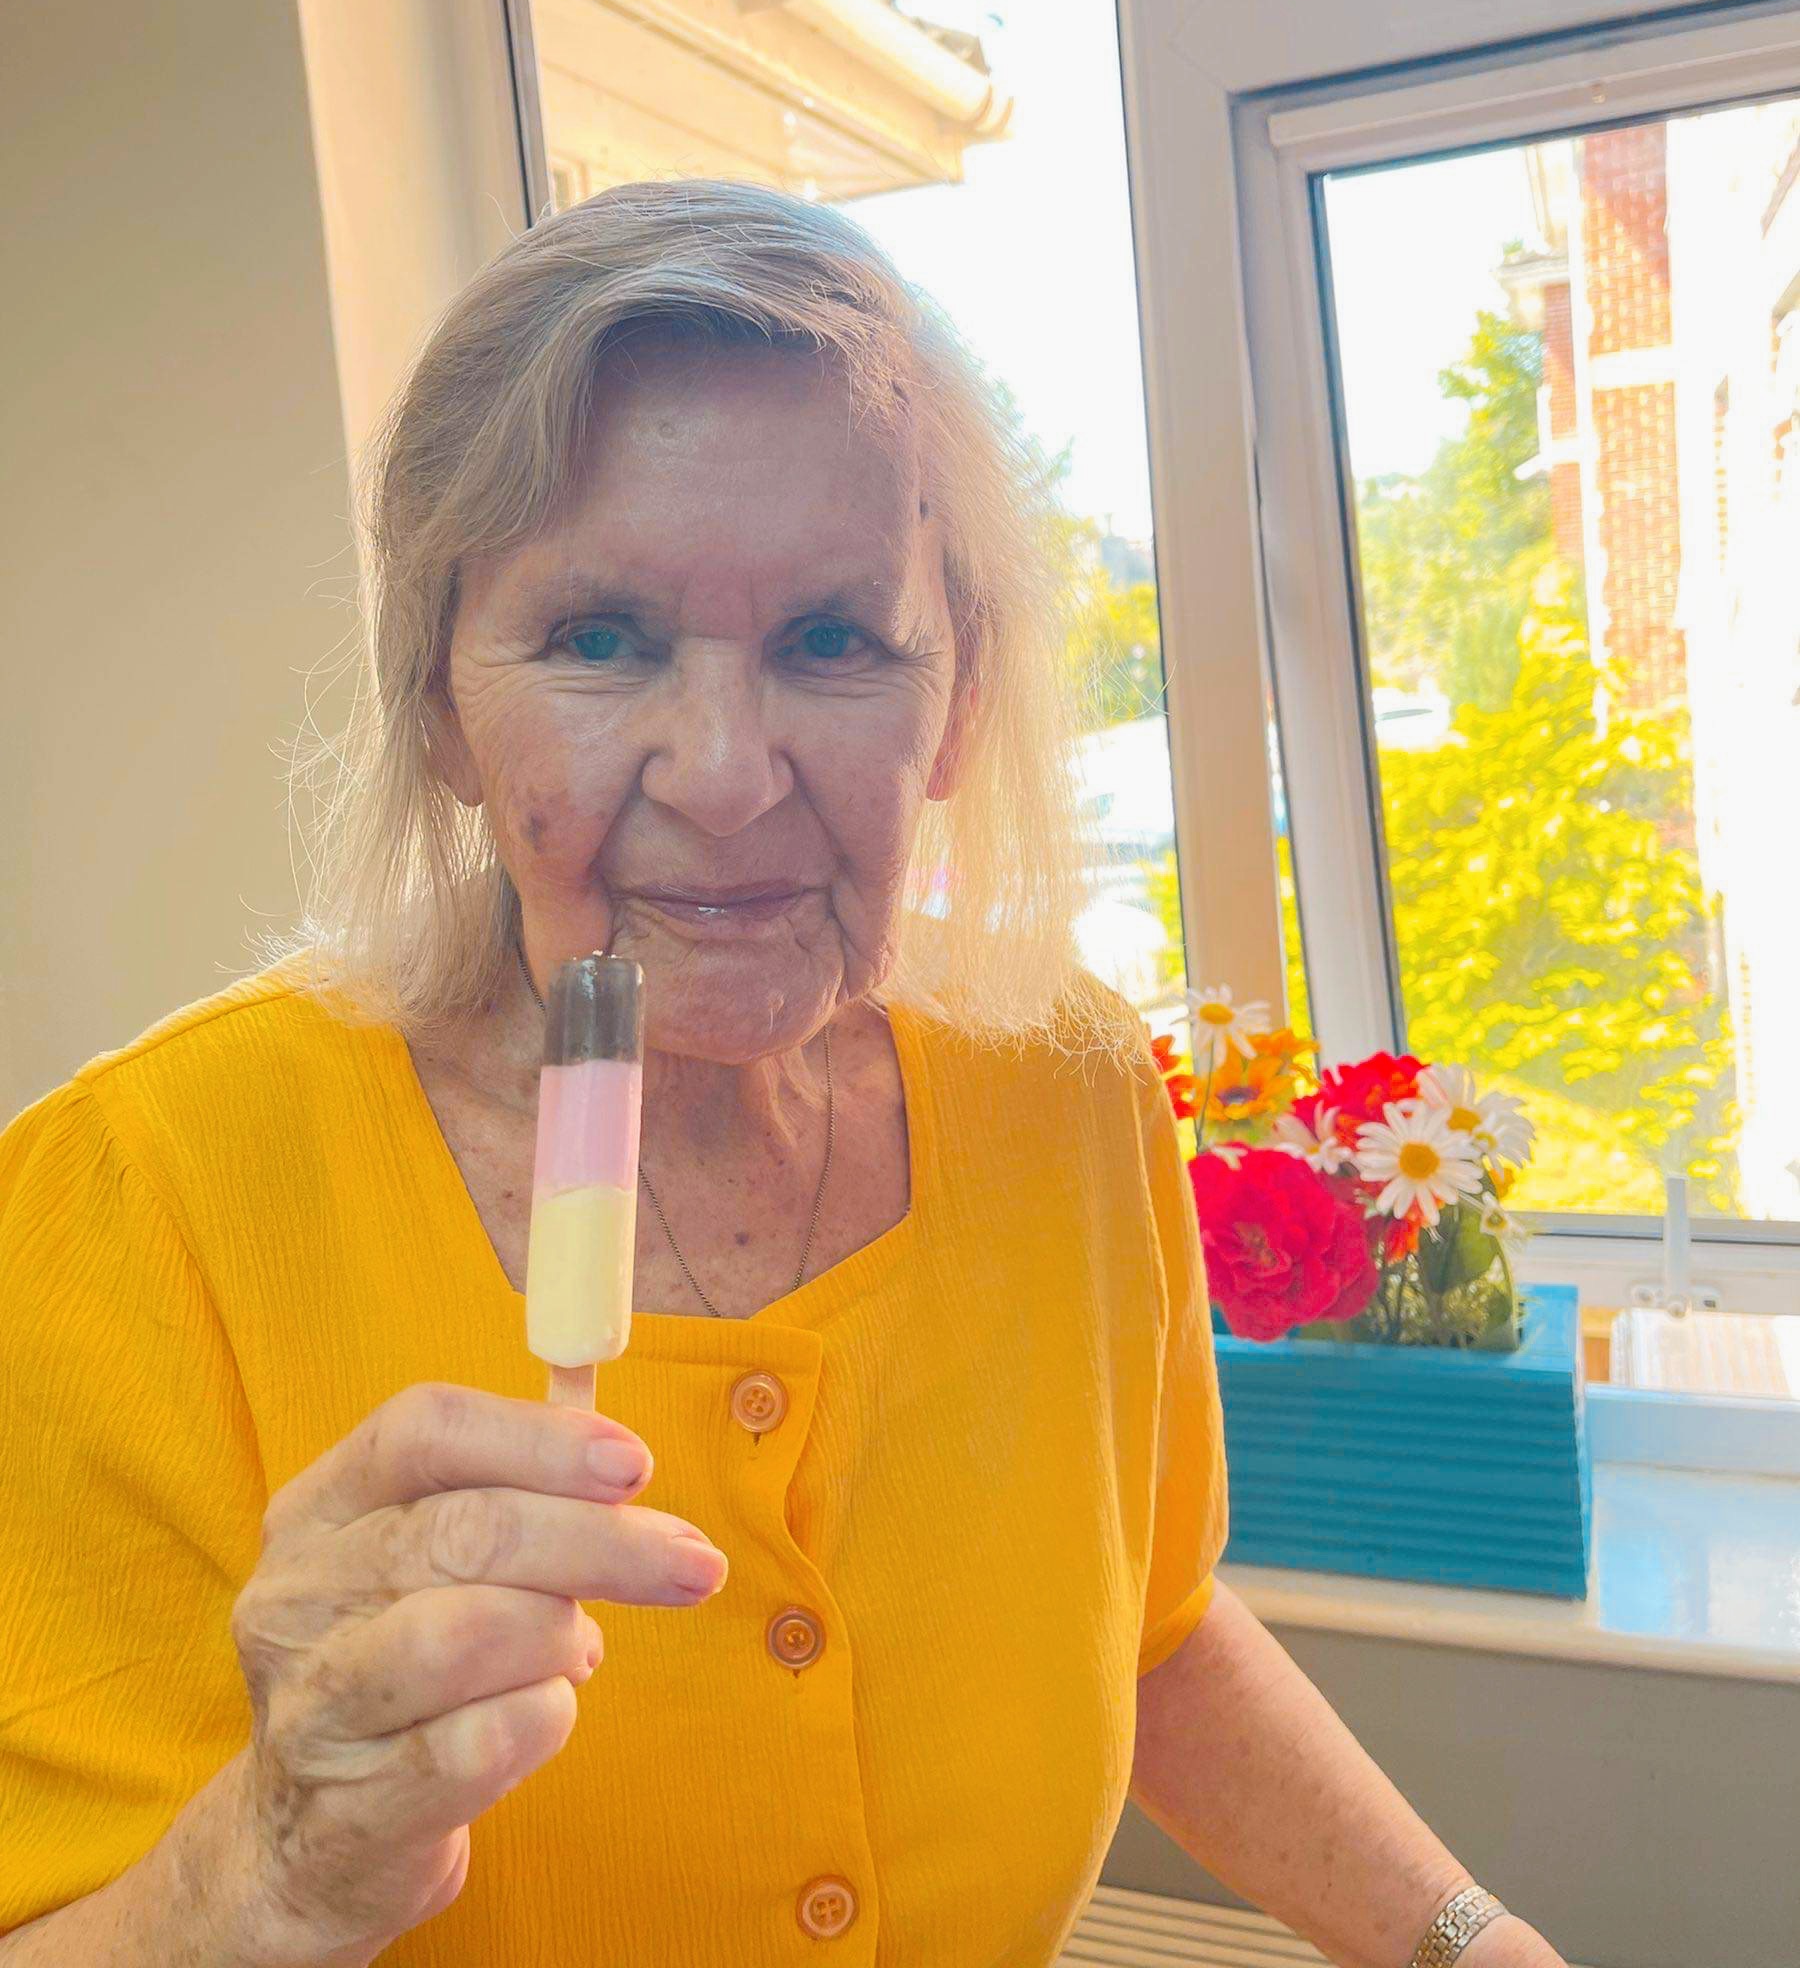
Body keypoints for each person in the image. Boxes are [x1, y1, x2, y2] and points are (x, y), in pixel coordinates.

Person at [0, 181, 1567, 1968]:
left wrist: (1469, 1941)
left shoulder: (1064, 1095)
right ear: (438, 705)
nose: (728, 775)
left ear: (955, 697)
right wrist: (265, 1874)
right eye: (599, 638)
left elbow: (1156, 1627)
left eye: (833, 638)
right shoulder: (138, 1201)